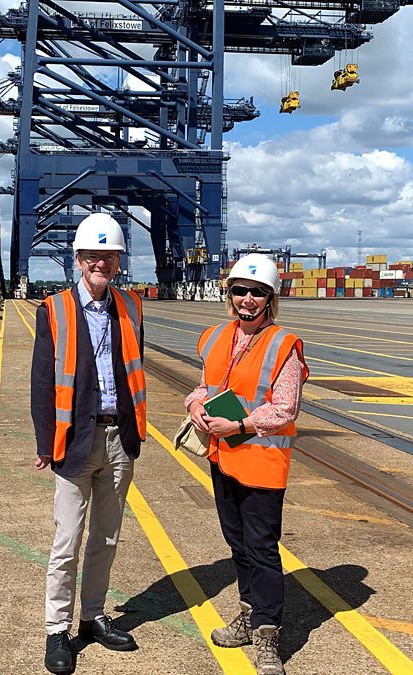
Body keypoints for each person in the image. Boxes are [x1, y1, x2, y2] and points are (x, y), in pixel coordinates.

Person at [32, 212, 147, 674]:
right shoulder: (54, 309)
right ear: (78, 259)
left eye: (110, 256)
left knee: (106, 536)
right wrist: (46, 442)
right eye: (93, 256)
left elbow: (133, 370)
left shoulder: (132, 306)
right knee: (66, 541)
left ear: (118, 261)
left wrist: (134, 432)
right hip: (75, 439)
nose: (101, 263)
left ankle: (92, 616)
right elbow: (42, 381)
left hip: (120, 437)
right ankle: (56, 629)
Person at [184, 253, 309, 675]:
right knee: (237, 545)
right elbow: (205, 386)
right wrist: (195, 406)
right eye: (241, 291)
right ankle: (248, 615)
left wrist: (239, 424)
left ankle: (268, 636)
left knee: (262, 549)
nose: (248, 299)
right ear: (230, 294)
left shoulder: (283, 344)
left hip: (263, 461)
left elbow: (285, 408)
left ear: (271, 299)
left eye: (257, 292)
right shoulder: (216, 336)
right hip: (223, 457)